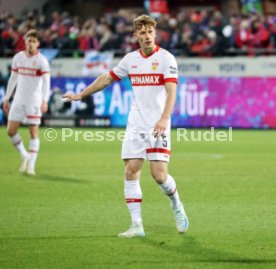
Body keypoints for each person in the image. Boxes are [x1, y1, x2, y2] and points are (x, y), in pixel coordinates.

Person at [63, 14, 188, 238]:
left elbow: (172, 92)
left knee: (159, 176)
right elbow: (107, 78)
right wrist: (82, 94)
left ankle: (177, 205)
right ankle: (137, 225)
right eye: (143, 32)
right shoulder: (130, 59)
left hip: (159, 123)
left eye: (150, 32)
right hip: (136, 123)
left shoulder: (167, 59)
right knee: (131, 171)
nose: (147, 36)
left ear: (155, 33)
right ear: (136, 35)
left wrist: (164, 118)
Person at [3, 29, 50, 175]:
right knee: (10, 131)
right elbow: (13, 78)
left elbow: (46, 82)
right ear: (25, 42)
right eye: (29, 41)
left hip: (34, 101)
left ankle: (31, 167)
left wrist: (44, 100)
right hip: (19, 99)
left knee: (33, 131)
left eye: (34, 41)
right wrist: (7, 97)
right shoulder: (18, 58)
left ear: (38, 44)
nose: (31, 44)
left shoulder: (42, 61)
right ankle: (24, 155)